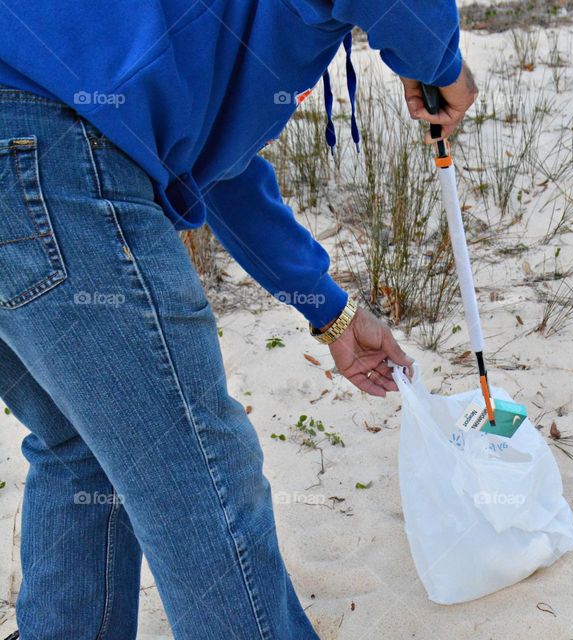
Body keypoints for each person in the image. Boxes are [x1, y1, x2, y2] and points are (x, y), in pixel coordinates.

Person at [0, 0, 478, 637]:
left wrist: (332, 314)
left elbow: (215, 172)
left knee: (81, 448)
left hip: (33, 140)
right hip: (44, 151)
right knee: (198, 473)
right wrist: (443, 64)